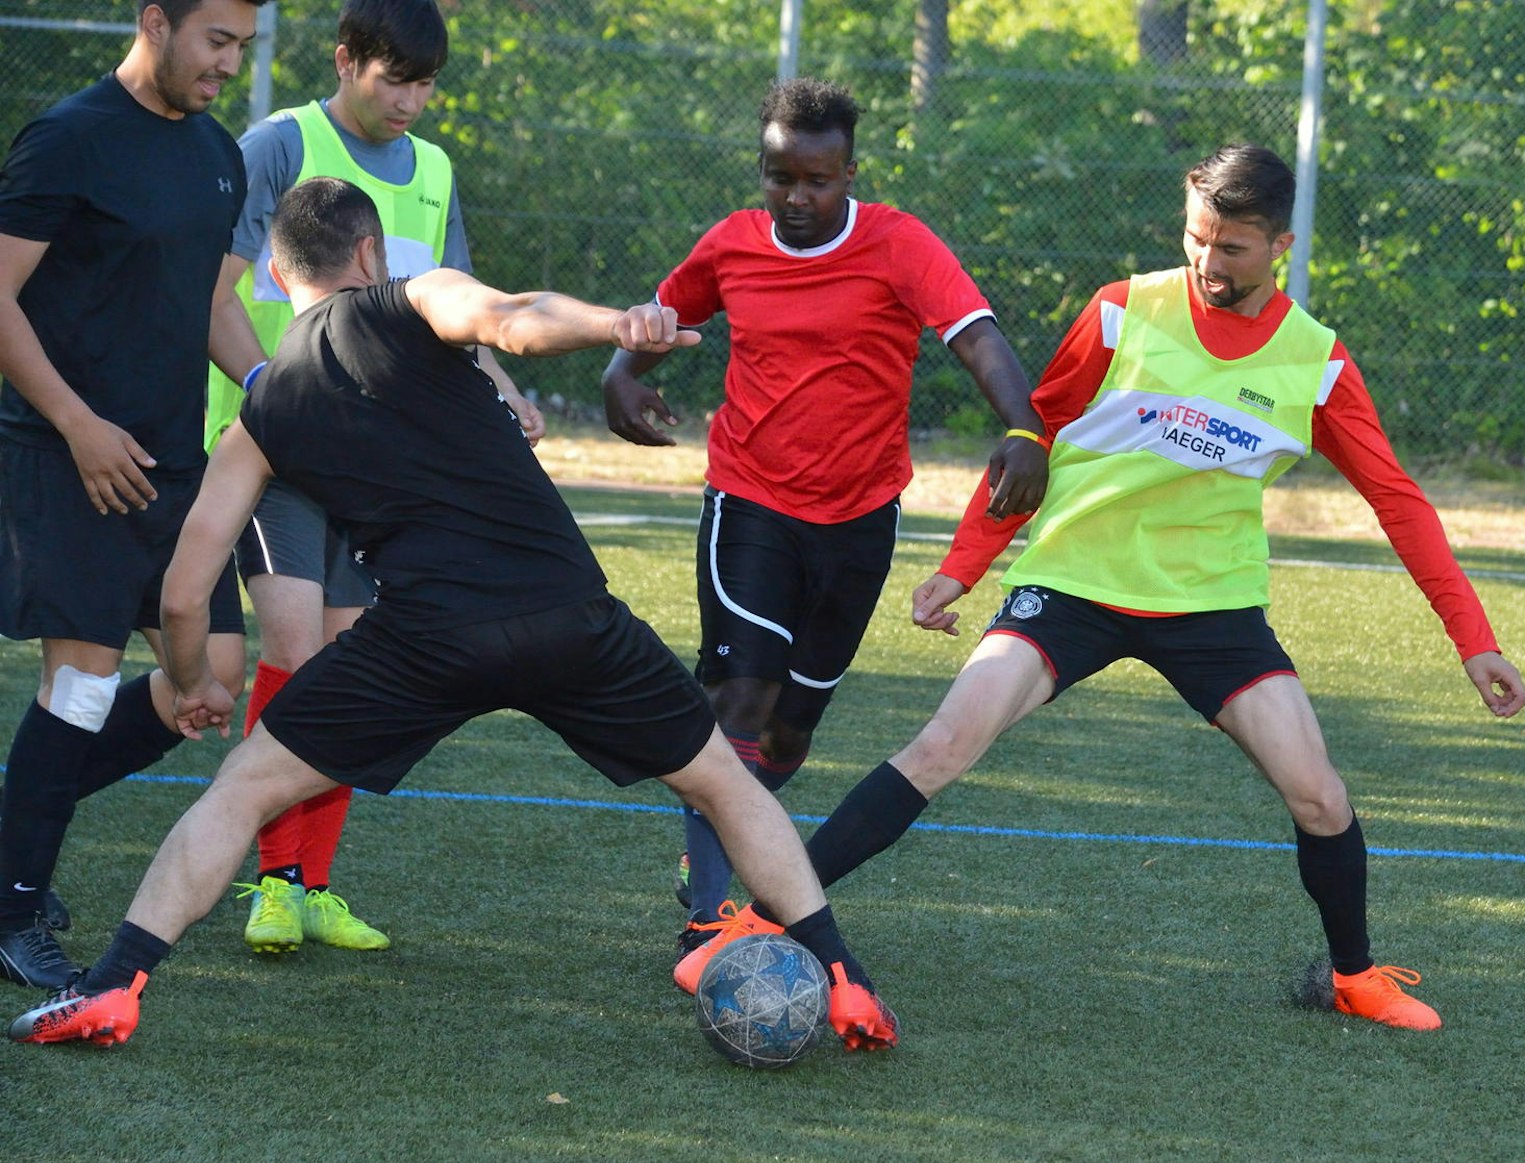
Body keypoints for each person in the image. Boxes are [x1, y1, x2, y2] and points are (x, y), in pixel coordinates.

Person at [7, 178, 897, 1052]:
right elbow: (512, 315)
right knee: (723, 784)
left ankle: (112, 987)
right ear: (370, 253)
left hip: (426, 639)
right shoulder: (410, 298)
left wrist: (195, 680)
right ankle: (845, 976)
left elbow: (182, 587)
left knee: (242, 789)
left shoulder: (264, 406)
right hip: (567, 614)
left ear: (279, 280)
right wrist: (613, 324)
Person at [797, 144, 1525, 1032]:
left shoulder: (1315, 361)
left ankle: (1353, 975)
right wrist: (962, 566)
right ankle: (769, 912)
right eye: (1197, 240)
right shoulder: (1120, 311)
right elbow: (1035, 437)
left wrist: (1474, 637)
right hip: (1073, 582)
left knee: (1321, 795)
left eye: (1233, 250)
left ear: (1282, 247)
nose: (1208, 266)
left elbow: (1400, 503)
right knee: (941, 746)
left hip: (1213, 608)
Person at [599, 77, 1047, 989]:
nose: (797, 199)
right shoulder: (732, 244)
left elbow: (977, 334)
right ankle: (712, 910)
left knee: (793, 733)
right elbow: (661, 314)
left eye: (816, 180)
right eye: (779, 179)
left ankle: (731, 834)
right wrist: (619, 378)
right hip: (751, 502)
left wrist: (1022, 425)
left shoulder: (900, 243)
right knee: (743, 704)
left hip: (858, 518)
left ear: (850, 171)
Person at [206, 0, 546, 957]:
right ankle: (271, 879)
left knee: (355, 668)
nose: (412, 100)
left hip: (375, 467)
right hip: (271, 453)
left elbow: (454, 312)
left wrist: (505, 388)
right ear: (346, 60)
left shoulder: (434, 170)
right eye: (394, 77)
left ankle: (315, 884)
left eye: (426, 82)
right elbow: (213, 294)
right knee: (295, 650)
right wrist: (281, 393)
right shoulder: (279, 145)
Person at [0, 0, 266, 990]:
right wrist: (75, 420)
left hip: (171, 465)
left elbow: (208, 300)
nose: (229, 64)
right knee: (78, 683)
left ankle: (11, 841)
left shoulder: (218, 153)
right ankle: (14, 904)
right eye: (215, 40)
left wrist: (276, 390)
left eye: (242, 45)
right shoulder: (69, 139)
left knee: (206, 684)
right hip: (68, 458)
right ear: (155, 21)